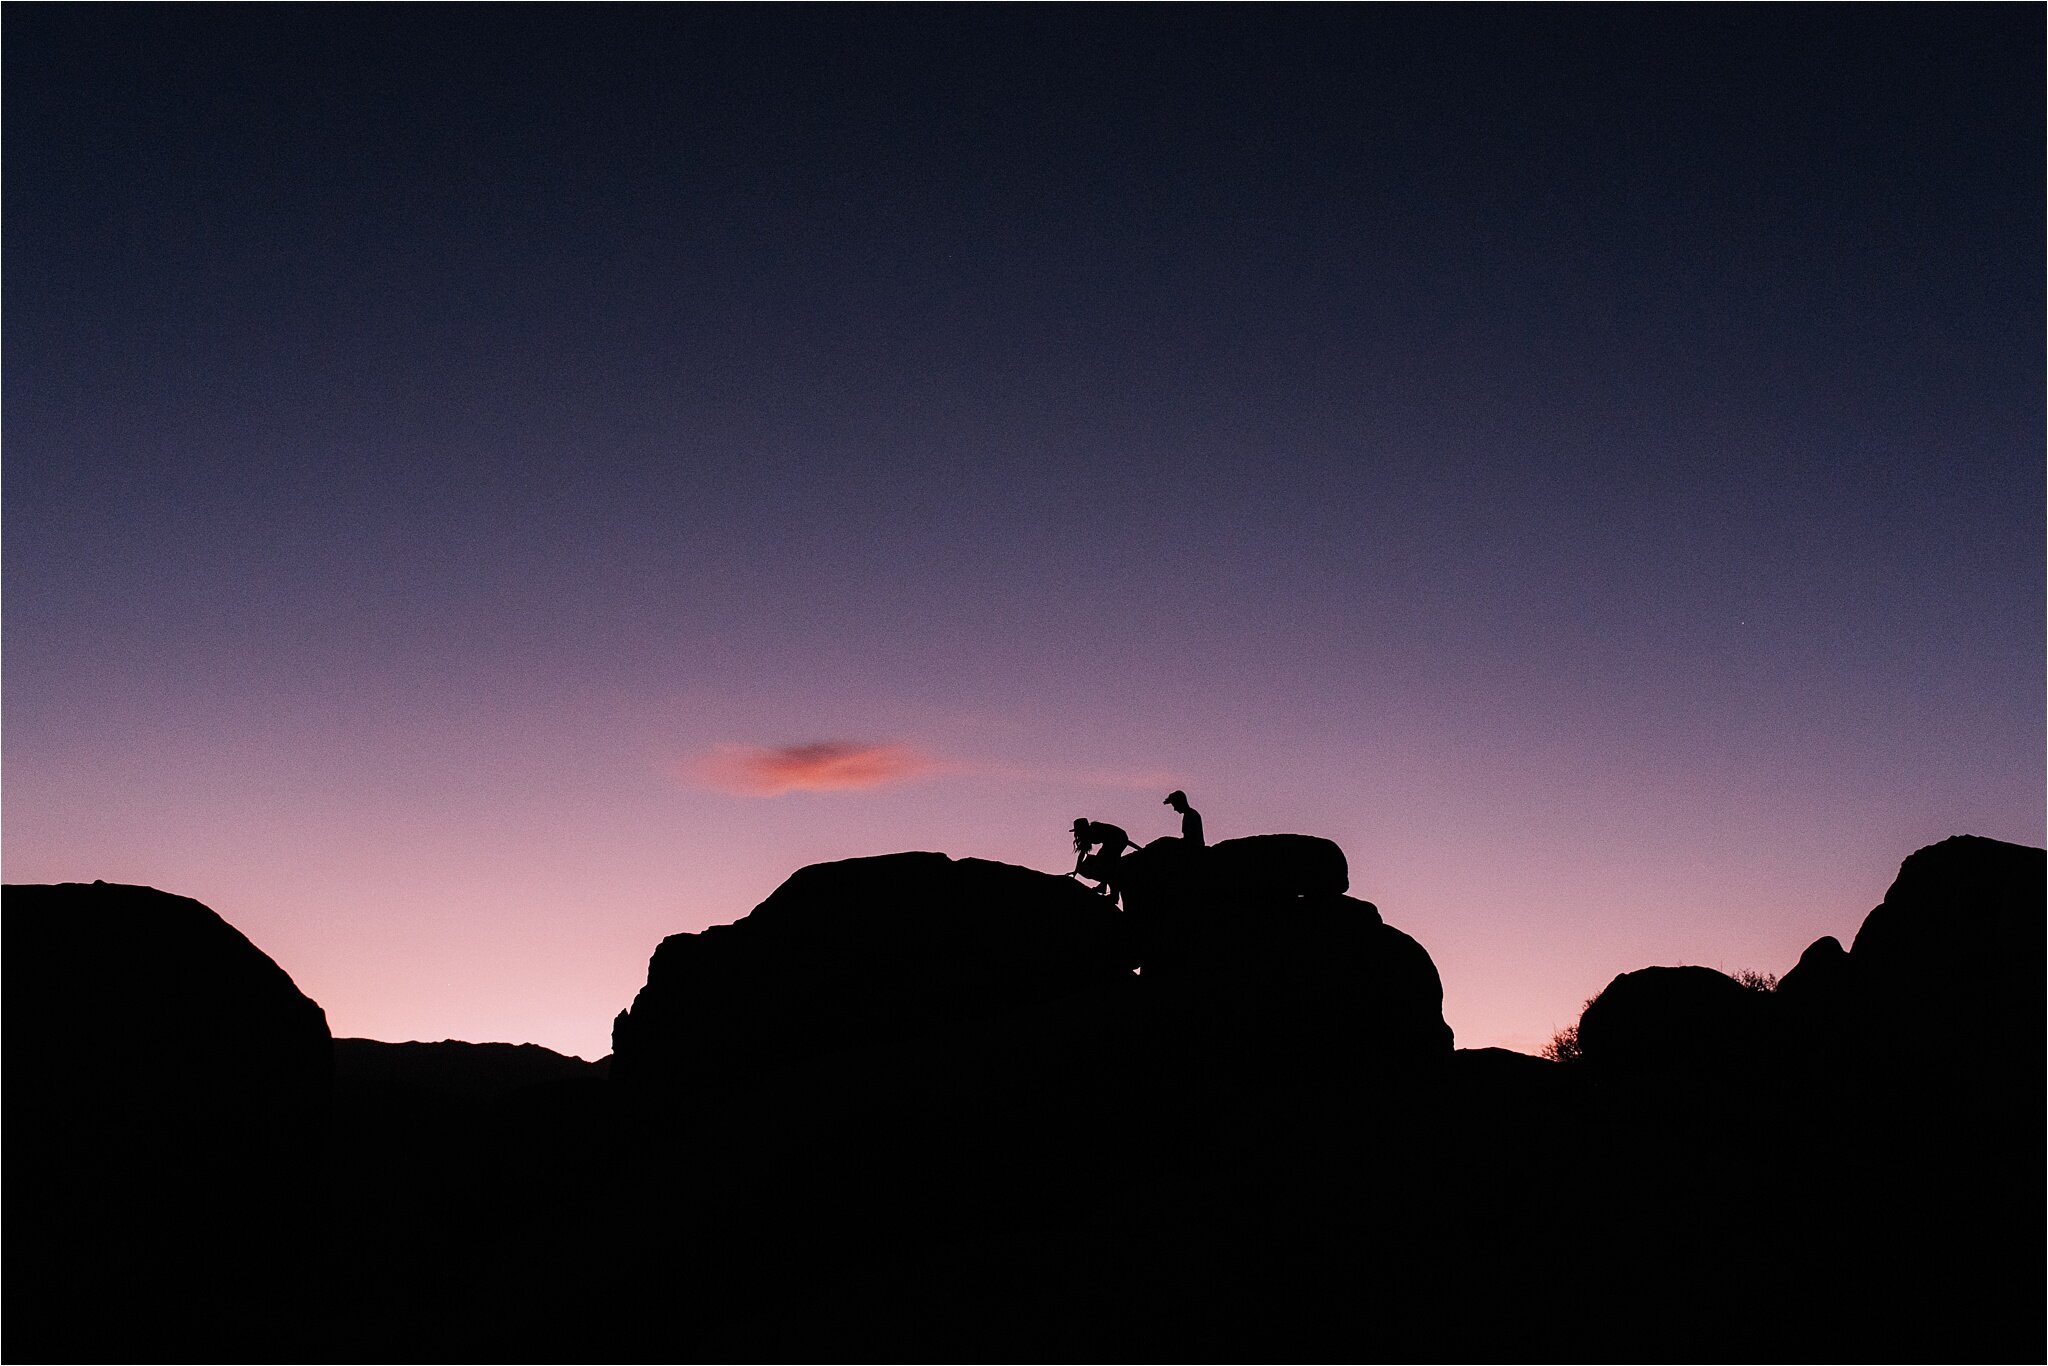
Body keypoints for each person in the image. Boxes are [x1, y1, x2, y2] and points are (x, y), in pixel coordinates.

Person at [1070, 817, 1132, 898]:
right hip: (1113, 840)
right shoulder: (1089, 833)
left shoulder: (1093, 831)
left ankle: (1112, 894)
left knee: (1104, 864)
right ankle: (1105, 887)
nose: (1077, 834)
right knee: (1103, 864)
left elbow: (1083, 854)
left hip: (1117, 839)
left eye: (1078, 831)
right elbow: (1082, 853)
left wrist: (1076, 870)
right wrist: (1076, 871)